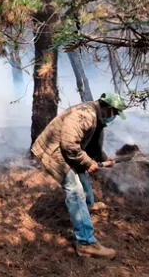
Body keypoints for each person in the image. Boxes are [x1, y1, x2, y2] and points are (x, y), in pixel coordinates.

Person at [30, 92, 128, 259]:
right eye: (115, 113)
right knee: (75, 191)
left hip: (66, 150)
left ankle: (88, 206)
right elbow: (69, 145)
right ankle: (86, 243)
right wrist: (88, 162)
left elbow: (94, 148)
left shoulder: (97, 117)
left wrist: (105, 161)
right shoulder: (85, 115)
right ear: (108, 108)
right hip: (54, 151)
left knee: (81, 172)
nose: (115, 117)